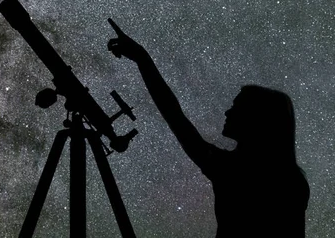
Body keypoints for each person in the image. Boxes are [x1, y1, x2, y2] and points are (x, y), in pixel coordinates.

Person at [107, 20, 310, 237]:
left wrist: (142, 59)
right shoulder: (292, 181)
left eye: (237, 108)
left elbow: (174, 115)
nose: (227, 113)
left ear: (256, 121)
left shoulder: (231, 170)